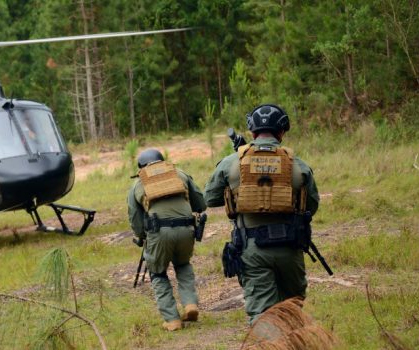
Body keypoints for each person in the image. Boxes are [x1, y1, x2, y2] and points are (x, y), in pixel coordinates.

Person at [204, 104, 320, 325]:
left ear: (252, 131)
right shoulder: (298, 165)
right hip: (290, 248)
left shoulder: (232, 162)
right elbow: (311, 206)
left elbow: (210, 198)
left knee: (263, 316)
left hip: (252, 247)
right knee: (292, 311)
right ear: (282, 131)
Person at [127, 149, 207, 331]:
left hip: (159, 231)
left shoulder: (138, 184)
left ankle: (172, 319)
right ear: (162, 161)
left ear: (141, 167)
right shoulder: (180, 174)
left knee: (157, 272)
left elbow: (135, 219)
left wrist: (141, 238)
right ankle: (190, 305)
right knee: (183, 264)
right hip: (187, 229)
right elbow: (201, 204)